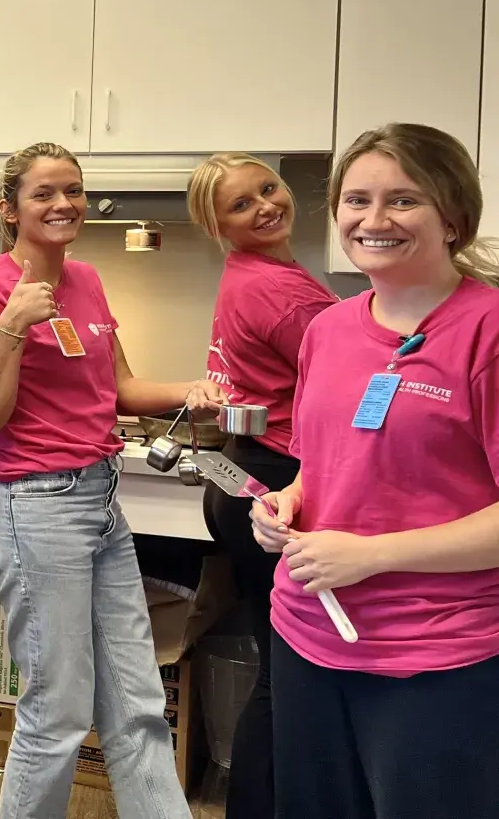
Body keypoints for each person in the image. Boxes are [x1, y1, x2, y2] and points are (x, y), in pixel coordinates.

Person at [0, 141, 224, 819]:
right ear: (10, 209)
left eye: (73, 189)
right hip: (34, 509)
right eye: (44, 192)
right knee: (58, 712)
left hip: (99, 502)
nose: (64, 203)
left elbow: (121, 387)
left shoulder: (90, 281)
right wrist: (13, 327)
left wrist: (193, 388)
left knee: (137, 704)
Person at [252, 124, 499, 819]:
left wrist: (371, 556)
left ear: (452, 216)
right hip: (307, 634)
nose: (374, 219)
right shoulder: (329, 330)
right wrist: (288, 504)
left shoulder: (488, 332)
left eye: (403, 200)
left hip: (436, 657)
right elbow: (323, 468)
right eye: (356, 199)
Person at [184, 152, 337, 819]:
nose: (266, 206)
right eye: (241, 206)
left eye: (268, 189)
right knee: (287, 675)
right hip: (274, 477)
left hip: (241, 470)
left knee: (278, 663)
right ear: (219, 226)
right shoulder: (278, 290)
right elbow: (351, 376)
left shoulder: (258, 271)